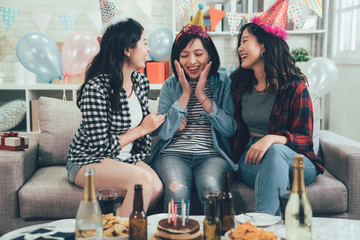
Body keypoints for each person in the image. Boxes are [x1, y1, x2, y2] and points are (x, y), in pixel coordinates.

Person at [230, 0, 324, 216]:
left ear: (264, 46)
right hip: (251, 157)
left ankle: (262, 228)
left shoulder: (295, 87)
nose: (239, 48)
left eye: (245, 41)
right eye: (240, 43)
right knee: (271, 167)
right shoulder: (239, 85)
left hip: (297, 161)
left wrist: (272, 138)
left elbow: (305, 140)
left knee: (274, 154)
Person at [66, 18, 165, 217]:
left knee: (157, 189)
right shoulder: (96, 89)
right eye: (144, 42)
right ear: (127, 49)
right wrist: (142, 129)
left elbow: (145, 125)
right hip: (89, 159)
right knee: (142, 183)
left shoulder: (141, 81)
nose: (148, 49)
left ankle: (110, 223)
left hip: (125, 159)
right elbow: (100, 147)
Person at [148, 5, 237, 213]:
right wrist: (186, 94)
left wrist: (203, 98)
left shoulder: (223, 81)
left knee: (211, 190)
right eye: (185, 55)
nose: (192, 61)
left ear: (209, 55)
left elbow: (230, 129)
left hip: (212, 156)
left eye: (198, 53)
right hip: (173, 155)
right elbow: (163, 132)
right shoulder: (171, 85)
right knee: (177, 193)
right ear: (177, 58)